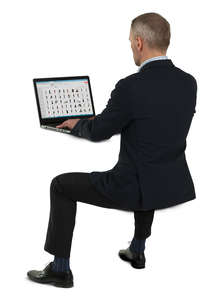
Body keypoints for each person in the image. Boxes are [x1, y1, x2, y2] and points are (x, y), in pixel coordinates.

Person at [27, 12, 197, 288]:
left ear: (139, 42)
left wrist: (77, 124)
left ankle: (60, 269)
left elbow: (98, 133)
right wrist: (107, 119)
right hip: (171, 183)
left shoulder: (131, 86)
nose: (131, 46)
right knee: (149, 162)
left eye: (131, 41)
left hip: (130, 187)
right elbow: (152, 123)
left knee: (60, 185)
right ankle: (137, 250)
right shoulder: (188, 83)